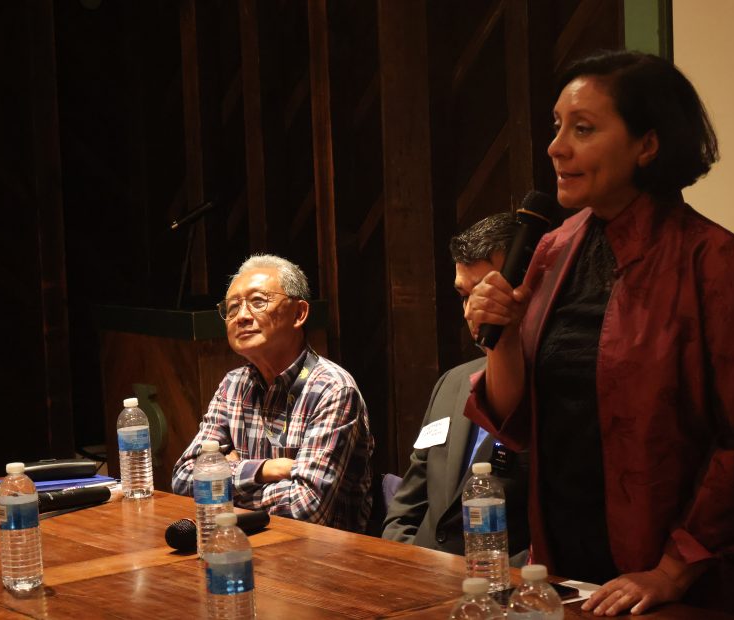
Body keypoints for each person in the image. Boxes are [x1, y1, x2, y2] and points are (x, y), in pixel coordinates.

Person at [463, 50, 734, 619]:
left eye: (583, 129)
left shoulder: (716, 262)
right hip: (571, 573)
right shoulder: (552, 247)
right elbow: (518, 420)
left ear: (648, 144)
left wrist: (672, 570)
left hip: (689, 586)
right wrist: (507, 336)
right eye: (557, 126)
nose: (556, 146)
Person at [172, 254, 374, 533]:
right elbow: (182, 480)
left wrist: (227, 476)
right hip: (245, 545)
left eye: (258, 302)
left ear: (299, 314)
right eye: (232, 308)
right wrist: (266, 469)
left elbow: (307, 508)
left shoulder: (332, 389)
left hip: (322, 561)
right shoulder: (233, 385)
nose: (242, 316)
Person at [382, 213, 531, 564]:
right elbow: (406, 510)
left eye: (486, 293)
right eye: (464, 296)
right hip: (423, 577)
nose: (470, 311)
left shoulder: (565, 385)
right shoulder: (453, 382)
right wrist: (406, 568)